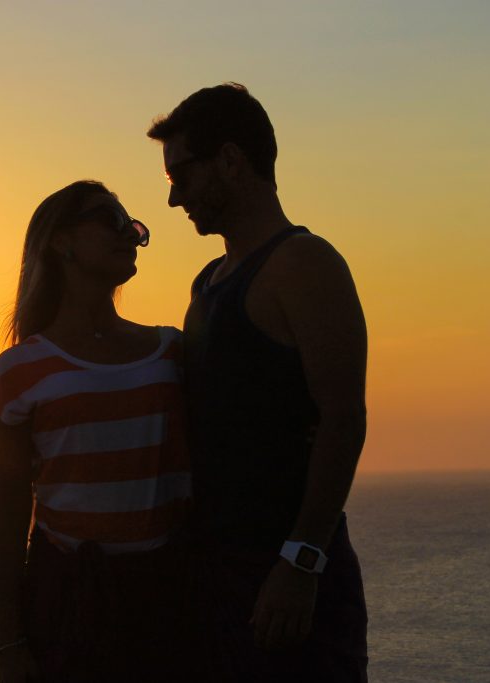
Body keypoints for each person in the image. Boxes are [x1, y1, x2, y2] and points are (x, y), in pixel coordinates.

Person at [147, 83, 369, 682]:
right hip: (221, 574)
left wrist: (301, 561)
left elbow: (343, 419)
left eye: (179, 177)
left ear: (229, 160)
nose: (173, 200)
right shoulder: (208, 281)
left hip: (289, 579)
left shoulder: (304, 265)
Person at [0, 180, 193, 682]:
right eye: (110, 219)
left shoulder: (173, 353)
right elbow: (9, 518)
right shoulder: (17, 374)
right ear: (61, 241)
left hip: (172, 596)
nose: (131, 235)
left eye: (133, 226)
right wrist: (10, 645)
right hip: (70, 608)